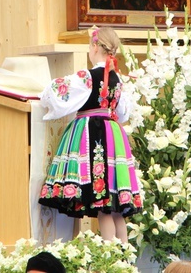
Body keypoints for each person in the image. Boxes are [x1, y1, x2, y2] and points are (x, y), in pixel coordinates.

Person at [37, 26, 143, 243]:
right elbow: (122, 114)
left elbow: (56, 92)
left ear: (95, 46)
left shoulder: (88, 76)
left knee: (103, 202)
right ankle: (124, 255)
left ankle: (109, 257)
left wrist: (42, 96)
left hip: (93, 134)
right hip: (112, 133)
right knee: (114, 206)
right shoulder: (118, 79)